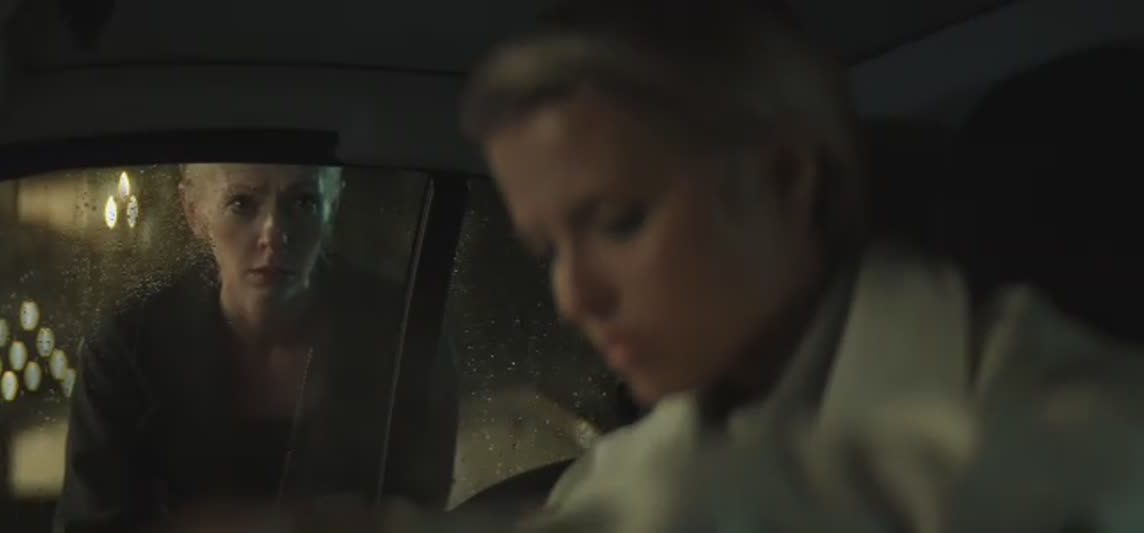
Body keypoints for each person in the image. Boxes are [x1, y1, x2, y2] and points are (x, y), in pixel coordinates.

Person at [460, 1, 1144, 531]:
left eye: (619, 221)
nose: (574, 297)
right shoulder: (619, 476)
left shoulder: (1077, 431)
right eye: (549, 251)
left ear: (784, 178)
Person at [53, 164, 458, 533]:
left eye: (304, 202)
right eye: (241, 204)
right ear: (195, 212)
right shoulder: (127, 351)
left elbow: (420, 512)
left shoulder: (400, 336)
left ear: (333, 206)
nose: (273, 233)